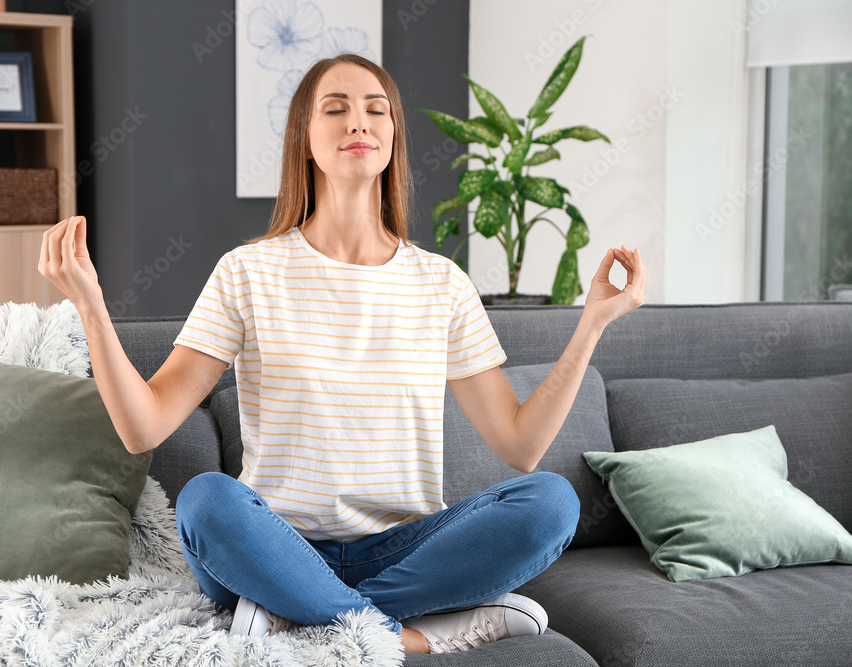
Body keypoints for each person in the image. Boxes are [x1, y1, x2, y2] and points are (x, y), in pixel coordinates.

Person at [38, 53, 647, 655]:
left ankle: (300, 616)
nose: (359, 121)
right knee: (206, 500)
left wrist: (592, 323)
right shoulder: (248, 271)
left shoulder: (443, 284)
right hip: (276, 547)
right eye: (336, 109)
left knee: (550, 503)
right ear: (306, 139)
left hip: (406, 547)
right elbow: (144, 427)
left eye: (375, 110)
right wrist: (92, 306)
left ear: (391, 138)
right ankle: (403, 635)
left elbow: (521, 445)